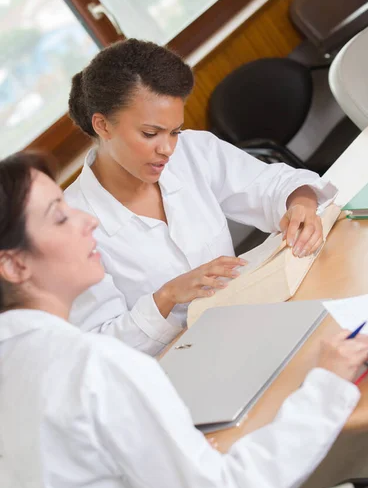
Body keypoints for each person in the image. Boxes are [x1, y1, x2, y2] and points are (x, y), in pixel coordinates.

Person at [0, 153, 368, 488]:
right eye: (59, 217)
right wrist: (325, 388)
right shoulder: (93, 369)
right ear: (13, 263)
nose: (86, 221)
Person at [65, 38, 338, 356]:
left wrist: (300, 203)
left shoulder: (192, 151)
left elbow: (273, 184)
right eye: (150, 134)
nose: (167, 148)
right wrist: (167, 296)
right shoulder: (69, 227)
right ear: (102, 125)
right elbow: (100, 348)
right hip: (180, 366)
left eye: (174, 132)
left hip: (249, 325)